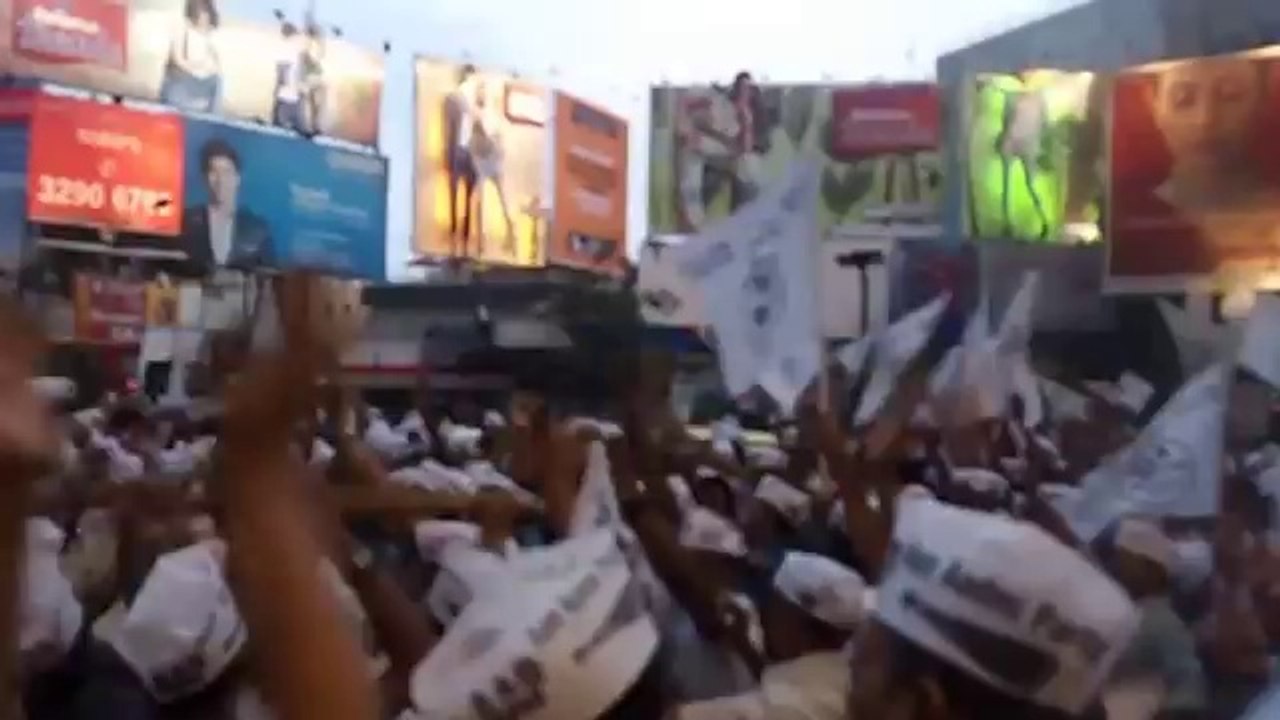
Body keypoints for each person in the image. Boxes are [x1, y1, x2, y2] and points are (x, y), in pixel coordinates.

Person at [180, 139, 273, 276]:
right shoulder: (187, 222)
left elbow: (269, 273)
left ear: (237, 178)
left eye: (226, 172)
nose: (220, 180)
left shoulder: (257, 229)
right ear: (205, 178)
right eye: (214, 172)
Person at [468, 79, 519, 259]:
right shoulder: (483, 115)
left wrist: (483, 155)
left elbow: (484, 140)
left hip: (488, 161)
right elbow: (483, 140)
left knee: (493, 200)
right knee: (491, 199)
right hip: (487, 161)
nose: (480, 96)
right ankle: (487, 239)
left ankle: (505, 237)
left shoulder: (484, 115)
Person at [159, 0, 222, 113]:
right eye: (202, 18)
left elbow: (214, 64)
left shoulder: (209, 37)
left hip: (200, 85)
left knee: (217, 81)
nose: (204, 22)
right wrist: (196, 68)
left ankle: (211, 120)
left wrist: (208, 70)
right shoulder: (182, 30)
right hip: (181, 85)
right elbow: (178, 60)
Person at [442, 65, 480, 257]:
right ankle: (454, 228)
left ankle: (465, 231)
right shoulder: (452, 99)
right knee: (454, 190)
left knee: (470, 189)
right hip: (456, 149)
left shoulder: (474, 104)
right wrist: (446, 152)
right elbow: (447, 128)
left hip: (469, 151)